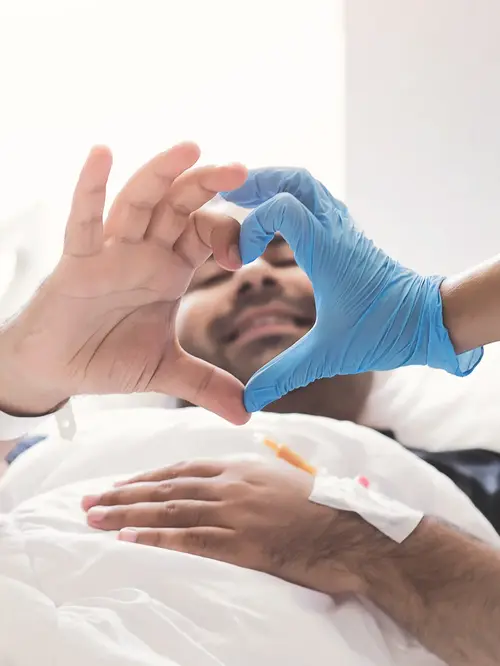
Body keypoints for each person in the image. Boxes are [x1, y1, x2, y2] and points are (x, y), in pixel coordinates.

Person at [1, 144, 500, 666]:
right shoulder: (32, 449)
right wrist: (19, 375)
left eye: (288, 260)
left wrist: (348, 536)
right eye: (213, 278)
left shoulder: (472, 480)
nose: (254, 277)